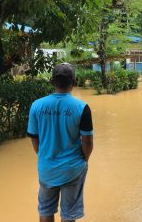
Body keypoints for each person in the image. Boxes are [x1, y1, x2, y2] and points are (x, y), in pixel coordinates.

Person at [27, 63, 93, 222]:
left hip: (47, 167)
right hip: (72, 168)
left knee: (45, 210)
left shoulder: (37, 105)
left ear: (52, 82)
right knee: (69, 214)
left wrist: (43, 155)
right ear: (74, 81)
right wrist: (84, 159)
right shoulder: (82, 107)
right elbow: (88, 140)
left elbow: (34, 137)